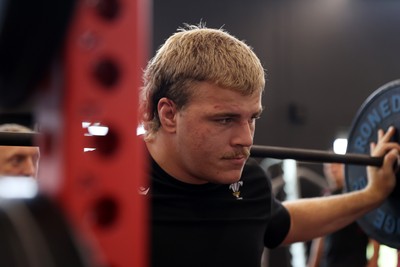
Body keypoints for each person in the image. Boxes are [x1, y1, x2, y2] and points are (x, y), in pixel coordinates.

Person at [138, 24, 399, 267]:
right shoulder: (116, 190)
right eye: (225, 119)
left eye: (252, 118)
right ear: (169, 115)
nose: (246, 139)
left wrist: (372, 194)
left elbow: (284, 220)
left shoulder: (249, 182)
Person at [307, 162, 380, 267]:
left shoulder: (359, 195)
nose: (332, 169)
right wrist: (313, 263)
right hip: (330, 263)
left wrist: (374, 260)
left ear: (345, 167)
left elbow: (373, 229)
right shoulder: (326, 198)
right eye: (328, 166)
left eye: (336, 165)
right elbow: (320, 236)